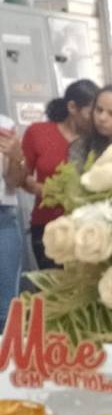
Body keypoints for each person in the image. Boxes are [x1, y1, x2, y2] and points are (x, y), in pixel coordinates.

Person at [22, 79, 98, 269]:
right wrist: (45, 190)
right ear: (72, 107)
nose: (96, 119)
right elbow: (22, 176)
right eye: (91, 112)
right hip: (48, 226)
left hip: (89, 228)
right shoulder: (38, 132)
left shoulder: (98, 140)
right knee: (53, 284)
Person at [0, 113, 26, 327]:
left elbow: (14, 181)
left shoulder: (4, 124)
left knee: (6, 309)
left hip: (3, 219)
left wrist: (17, 158)